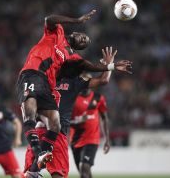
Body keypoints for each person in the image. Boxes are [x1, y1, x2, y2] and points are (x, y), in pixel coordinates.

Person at [17, 10, 132, 172]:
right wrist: (77, 20)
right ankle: (36, 162)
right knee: (31, 115)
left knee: (54, 125)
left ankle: (37, 162)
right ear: (75, 32)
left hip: (60, 133)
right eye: (84, 36)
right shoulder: (57, 34)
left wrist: (110, 66)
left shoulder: (74, 78)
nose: (84, 39)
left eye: (85, 41)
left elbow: (96, 73)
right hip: (36, 92)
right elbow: (49, 19)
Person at [24, 47, 115, 178]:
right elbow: (103, 80)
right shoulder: (75, 82)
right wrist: (108, 65)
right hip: (57, 134)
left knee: (31, 174)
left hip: (39, 131)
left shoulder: (43, 77)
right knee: (57, 174)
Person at [70, 79, 110, 178]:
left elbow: (104, 118)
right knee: (84, 173)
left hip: (92, 140)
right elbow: (65, 121)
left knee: (84, 168)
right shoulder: (72, 99)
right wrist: (78, 121)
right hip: (75, 140)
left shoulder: (98, 98)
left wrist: (107, 140)